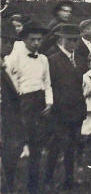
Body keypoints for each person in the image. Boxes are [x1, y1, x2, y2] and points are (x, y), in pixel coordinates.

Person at [5, 21, 53, 194]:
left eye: (39, 40)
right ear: (24, 39)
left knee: (37, 145)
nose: (36, 43)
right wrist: (18, 102)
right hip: (23, 102)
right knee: (18, 143)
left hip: (40, 102)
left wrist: (49, 102)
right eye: (32, 39)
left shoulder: (43, 59)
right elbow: (9, 81)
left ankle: (33, 185)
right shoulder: (14, 58)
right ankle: (10, 183)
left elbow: (47, 83)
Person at [45, 24, 87, 190]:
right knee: (56, 145)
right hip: (59, 112)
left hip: (76, 110)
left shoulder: (81, 61)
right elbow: (48, 86)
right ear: (61, 39)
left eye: (75, 40)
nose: (72, 43)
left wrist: (82, 108)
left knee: (72, 145)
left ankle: (69, 179)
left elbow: (81, 86)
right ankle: (48, 179)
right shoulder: (52, 60)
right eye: (69, 40)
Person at [1, 20, 24, 193]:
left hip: (9, 119)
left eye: (11, 41)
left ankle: (8, 183)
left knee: (12, 151)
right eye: (4, 40)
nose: (8, 45)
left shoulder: (6, 64)